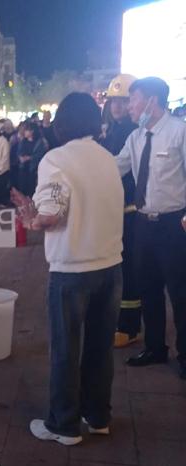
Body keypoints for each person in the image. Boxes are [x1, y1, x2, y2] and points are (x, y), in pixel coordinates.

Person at [12, 92, 123, 446]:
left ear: (62, 123)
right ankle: (98, 415)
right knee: (99, 347)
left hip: (72, 269)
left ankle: (63, 424)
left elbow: (52, 214)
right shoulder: (107, 158)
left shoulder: (55, 159)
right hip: (111, 265)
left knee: (65, 348)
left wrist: (30, 218)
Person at [116, 77, 186, 379]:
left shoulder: (179, 132)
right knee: (149, 290)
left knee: (180, 293)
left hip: (174, 225)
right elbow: (115, 166)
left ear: (152, 101)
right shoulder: (136, 137)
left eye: (133, 100)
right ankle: (156, 348)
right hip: (143, 225)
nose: (129, 107)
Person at [101, 74, 141, 348]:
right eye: (113, 100)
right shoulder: (113, 130)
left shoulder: (132, 131)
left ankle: (129, 326)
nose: (117, 106)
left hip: (131, 211)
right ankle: (121, 321)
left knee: (131, 270)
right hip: (116, 208)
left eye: (124, 100)